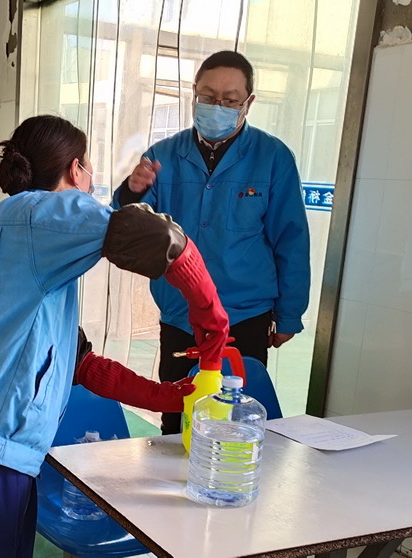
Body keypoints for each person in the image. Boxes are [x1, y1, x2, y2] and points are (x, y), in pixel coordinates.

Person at [0, 114, 229, 558]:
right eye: (88, 167)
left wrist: (170, 396)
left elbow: (81, 364)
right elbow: (157, 234)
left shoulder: (22, 241)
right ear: (75, 169)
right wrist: (211, 315)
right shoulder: (38, 214)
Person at [113, 50, 311, 435]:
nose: (217, 106)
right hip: (180, 314)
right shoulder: (163, 156)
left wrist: (289, 315)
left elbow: (291, 241)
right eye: (207, 96)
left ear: (248, 103)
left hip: (244, 316)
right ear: (193, 94)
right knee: (176, 418)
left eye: (230, 100)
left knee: (235, 423)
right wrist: (131, 192)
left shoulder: (273, 158)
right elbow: (126, 229)